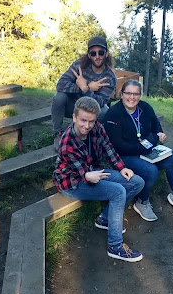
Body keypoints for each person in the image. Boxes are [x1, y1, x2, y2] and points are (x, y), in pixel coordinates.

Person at [53, 96, 145, 262]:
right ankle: (115, 246)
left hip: (91, 171)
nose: (87, 126)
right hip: (72, 182)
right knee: (118, 192)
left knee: (137, 182)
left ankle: (105, 219)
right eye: (83, 120)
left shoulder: (96, 128)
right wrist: (87, 175)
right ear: (74, 117)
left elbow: (108, 147)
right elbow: (82, 174)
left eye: (91, 121)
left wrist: (121, 167)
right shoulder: (67, 142)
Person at [103, 79, 173, 222]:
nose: (132, 97)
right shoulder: (114, 114)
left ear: (140, 95)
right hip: (124, 155)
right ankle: (142, 202)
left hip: (146, 150)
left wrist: (159, 133)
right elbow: (117, 145)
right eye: (128, 93)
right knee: (150, 170)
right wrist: (150, 142)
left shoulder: (145, 107)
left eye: (136, 94)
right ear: (121, 94)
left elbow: (156, 125)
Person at [51, 35, 117, 150]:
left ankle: (87, 135)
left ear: (106, 54)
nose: (97, 56)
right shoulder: (79, 65)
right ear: (89, 55)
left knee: (105, 112)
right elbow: (60, 85)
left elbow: (100, 102)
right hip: (72, 106)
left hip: (90, 109)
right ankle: (57, 133)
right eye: (93, 53)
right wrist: (82, 87)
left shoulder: (110, 77)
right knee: (59, 97)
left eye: (101, 52)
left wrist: (86, 90)